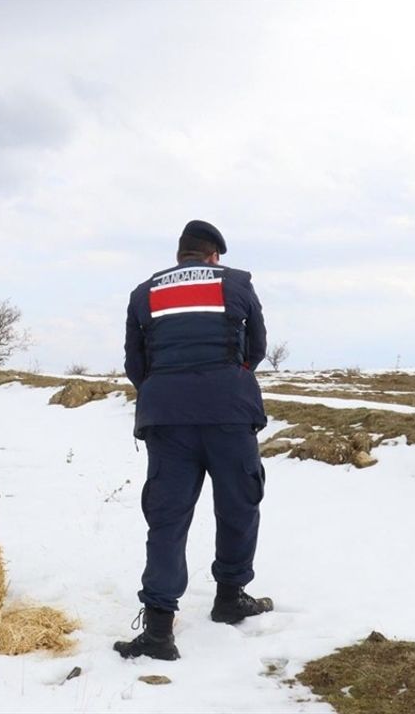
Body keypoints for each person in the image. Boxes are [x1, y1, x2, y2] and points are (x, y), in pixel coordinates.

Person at [114, 220, 272, 662]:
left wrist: (166, 389)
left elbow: (135, 363)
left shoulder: (144, 293)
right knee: (239, 504)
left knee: (167, 519)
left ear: (180, 255)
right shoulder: (237, 284)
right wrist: (225, 381)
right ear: (214, 256)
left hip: (167, 419)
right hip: (229, 414)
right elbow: (256, 348)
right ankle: (229, 596)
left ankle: (159, 630)